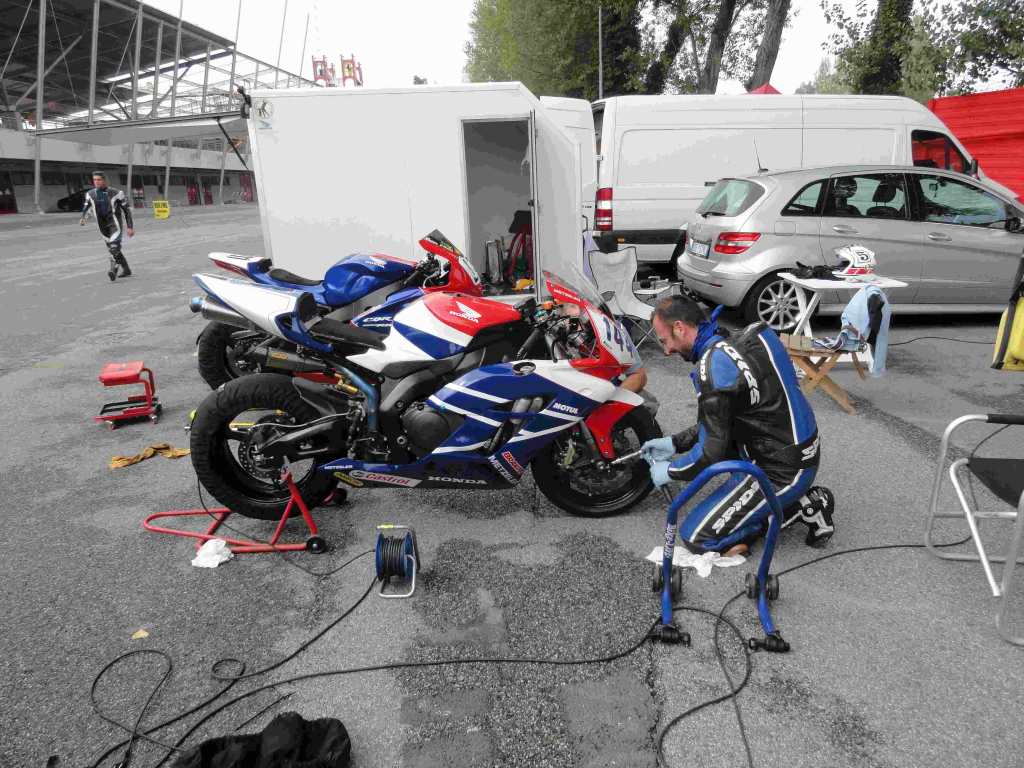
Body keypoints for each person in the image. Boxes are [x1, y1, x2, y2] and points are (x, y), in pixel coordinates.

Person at [640, 295, 834, 556]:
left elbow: (711, 453)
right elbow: (722, 423)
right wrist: (674, 443)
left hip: (780, 471)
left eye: (665, 341)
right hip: (791, 449)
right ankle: (777, 501)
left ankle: (800, 507)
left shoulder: (713, 368)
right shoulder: (746, 336)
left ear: (679, 327)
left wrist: (672, 471)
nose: (666, 351)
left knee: (697, 538)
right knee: (722, 446)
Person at [80, 171, 134, 281]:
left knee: (114, 247)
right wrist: (83, 218)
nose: (96, 182)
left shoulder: (117, 193)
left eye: (99, 180)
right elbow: (85, 208)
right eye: (95, 180)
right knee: (113, 249)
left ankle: (113, 269)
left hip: (115, 224)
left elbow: (126, 211)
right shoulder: (90, 194)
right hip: (102, 226)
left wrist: (130, 226)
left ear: (104, 180)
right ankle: (126, 269)